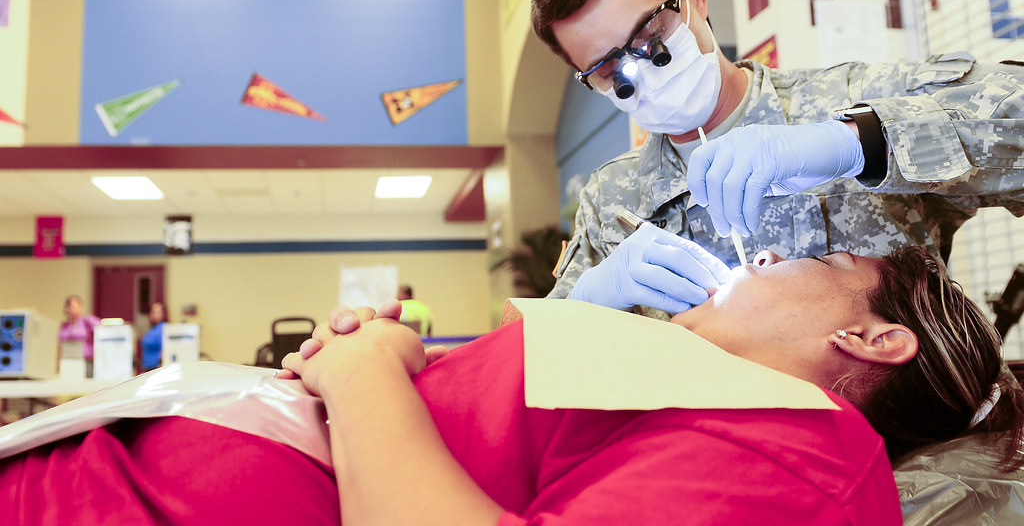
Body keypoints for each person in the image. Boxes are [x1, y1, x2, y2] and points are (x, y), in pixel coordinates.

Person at [1, 242, 1020, 524]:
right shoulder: (693, 384)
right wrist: (390, 361)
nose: (774, 250)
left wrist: (364, 376)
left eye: (822, 254)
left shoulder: (819, 451)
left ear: (868, 334)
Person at [531, 0, 1024, 315]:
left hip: (917, 434)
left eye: (650, 31)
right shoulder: (612, 202)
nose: (639, 68)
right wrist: (585, 305)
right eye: (605, 67)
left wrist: (857, 143)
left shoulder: (851, 97)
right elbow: (536, 372)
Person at [58, 295, 100, 374]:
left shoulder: (88, 321)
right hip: (69, 362)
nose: (71, 309)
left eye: (73, 306)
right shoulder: (64, 326)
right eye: (68, 306)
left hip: (86, 362)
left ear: (80, 307)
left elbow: (104, 330)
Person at [139, 301, 167, 371]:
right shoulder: (153, 329)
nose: (155, 315)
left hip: (156, 368)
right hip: (148, 367)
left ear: (163, 314)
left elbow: (165, 349)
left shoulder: (163, 329)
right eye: (153, 312)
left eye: (158, 312)